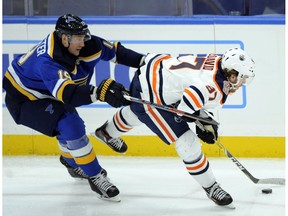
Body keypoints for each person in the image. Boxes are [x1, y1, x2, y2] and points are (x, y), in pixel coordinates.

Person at [3, 14, 145, 202]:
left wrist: (147, 62)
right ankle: (95, 176)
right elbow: (68, 94)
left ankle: (70, 161)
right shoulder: (48, 60)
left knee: (68, 126)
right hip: (25, 98)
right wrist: (98, 93)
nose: (83, 42)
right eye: (78, 38)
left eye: (84, 36)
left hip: (49, 89)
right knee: (70, 124)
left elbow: (119, 53)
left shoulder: (88, 44)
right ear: (64, 38)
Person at [92, 48, 255, 207]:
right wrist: (201, 124)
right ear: (233, 75)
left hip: (154, 69)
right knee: (187, 142)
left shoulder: (217, 60)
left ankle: (106, 133)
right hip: (151, 93)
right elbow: (183, 109)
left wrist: (204, 120)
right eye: (243, 78)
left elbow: (191, 90)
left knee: (140, 113)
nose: (242, 83)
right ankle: (211, 186)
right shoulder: (215, 89)